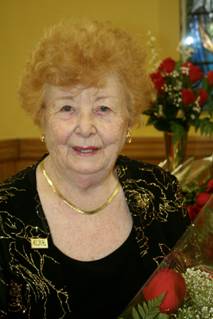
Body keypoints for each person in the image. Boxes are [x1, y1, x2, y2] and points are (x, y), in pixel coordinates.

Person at [0, 20, 190, 319]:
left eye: (103, 108)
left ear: (127, 119)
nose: (85, 128)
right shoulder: (5, 213)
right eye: (66, 108)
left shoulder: (161, 192)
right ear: (42, 118)